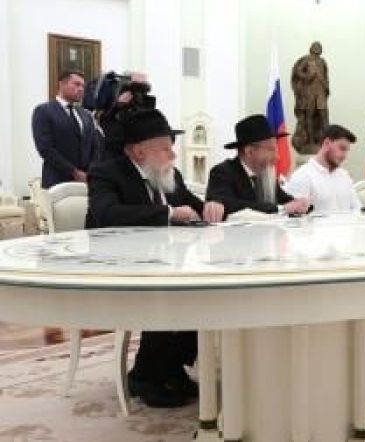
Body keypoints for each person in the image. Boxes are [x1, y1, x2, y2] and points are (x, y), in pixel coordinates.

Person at [86, 109, 225, 408]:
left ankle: (171, 367)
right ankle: (145, 375)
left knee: (203, 293)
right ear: (139, 151)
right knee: (169, 293)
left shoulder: (168, 174)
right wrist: (169, 213)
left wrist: (212, 206)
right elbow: (108, 214)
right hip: (117, 266)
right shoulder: (106, 173)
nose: (173, 155)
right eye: (165, 148)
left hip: (162, 261)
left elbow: (195, 206)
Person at [206, 115, 310, 218]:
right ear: (249, 151)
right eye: (271, 149)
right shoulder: (222, 173)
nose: (277, 157)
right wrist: (281, 208)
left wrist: (301, 204)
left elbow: (287, 201)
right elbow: (229, 204)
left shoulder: (265, 175)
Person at [32, 70, 100, 188]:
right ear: (62, 84)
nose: (81, 89)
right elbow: (45, 148)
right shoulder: (44, 111)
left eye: (83, 86)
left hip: (87, 181)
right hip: (57, 181)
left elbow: (95, 146)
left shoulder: (86, 115)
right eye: (77, 84)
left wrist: (91, 172)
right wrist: (74, 172)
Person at [283, 124, 362, 213]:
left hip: (348, 222)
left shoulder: (344, 176)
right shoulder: (303, 176)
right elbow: (294, 218)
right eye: (342, 148)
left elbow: (357, 210)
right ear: (326, 143)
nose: (345, 156)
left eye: (347, 151)